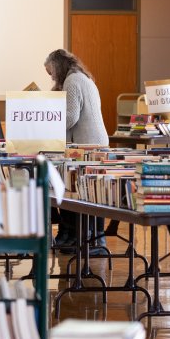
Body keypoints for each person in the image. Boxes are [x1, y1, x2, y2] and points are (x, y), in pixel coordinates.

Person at [45, 49, 109, 254]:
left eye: (51, 72)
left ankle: (87, 239)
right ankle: (93, 240)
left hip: (87, 145)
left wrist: (44, 124)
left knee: (81, 192)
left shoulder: (73, 81)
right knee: (94, 193)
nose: (52, 77)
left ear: (58, 67)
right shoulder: (84, 78)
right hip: (96, 142)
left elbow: (71, 117)